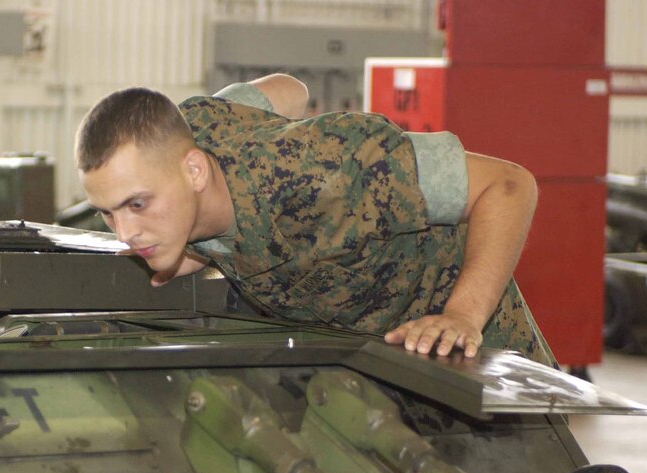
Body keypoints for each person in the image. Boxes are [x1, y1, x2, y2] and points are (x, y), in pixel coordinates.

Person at [74, 73, 556, 367]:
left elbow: (511, 185)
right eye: (107, 212)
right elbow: (290, 89)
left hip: (467, 356)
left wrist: (463, 316)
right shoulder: (195, 127)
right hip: (362, 369)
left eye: (138, 205)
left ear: (195, 170)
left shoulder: (332, 168)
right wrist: (196, 244)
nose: (125, 234)